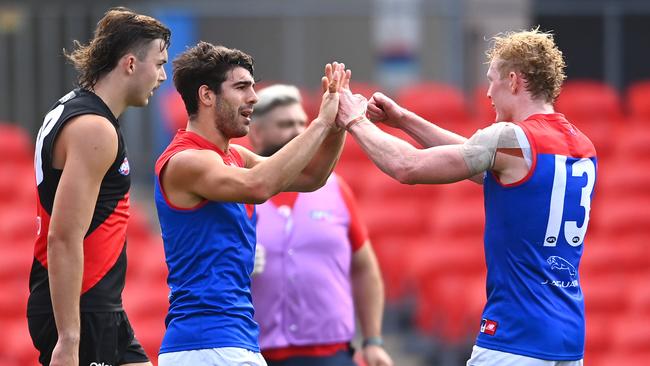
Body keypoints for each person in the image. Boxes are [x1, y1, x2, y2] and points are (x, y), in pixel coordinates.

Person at [336, 29, 595, 366]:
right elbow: (478, 156)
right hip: (568, 336)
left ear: (514, 81)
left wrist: (354, 119)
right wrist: (404, 120)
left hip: (515, 338)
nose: (488, 92)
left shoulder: (512, 139)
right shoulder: (581, 145)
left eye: (492, 80)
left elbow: (406, 167)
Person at [154, 42, 349, 366]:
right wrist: (319, 123)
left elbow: (313, 176)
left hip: (232, 341)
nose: (254, 98)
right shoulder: (185, 160)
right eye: (242, 87)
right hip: (207, 345)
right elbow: (259, 187)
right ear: (206, 96)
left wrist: (338, 125)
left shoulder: (235, 156)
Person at [28, 7, 170, 366]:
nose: (164, 76)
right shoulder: (94, 128)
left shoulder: (72, 109)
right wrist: (69, 338)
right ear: (131, 63)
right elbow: (63, 236)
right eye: (159, 63)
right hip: (83, 308)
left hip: (101, 307)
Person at [248, 84, 394, 366]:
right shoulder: (238, 191)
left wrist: (373, 340)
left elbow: (364, 266)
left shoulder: (335, 189)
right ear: (256, 133)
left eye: (301, 123)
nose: (297, 131)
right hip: (257, 353)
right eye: (285, 124)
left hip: (331, 354)